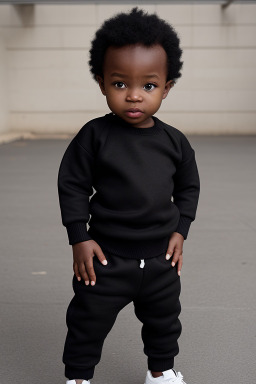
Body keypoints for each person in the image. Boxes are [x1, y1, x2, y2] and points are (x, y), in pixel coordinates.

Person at [57, 7, 200, 384]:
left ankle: (161, 370)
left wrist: (181, 230)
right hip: (105, 258)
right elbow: (72, 184)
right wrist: (79, 237)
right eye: (120, 84)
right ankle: (78, 377)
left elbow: (188, 188)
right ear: (102, 83)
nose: (134, 96)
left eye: (148, 86)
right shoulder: (94, 136)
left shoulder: (174, 142)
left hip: (160, 261)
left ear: (167, 87)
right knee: (88, 321)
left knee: (165, 321)